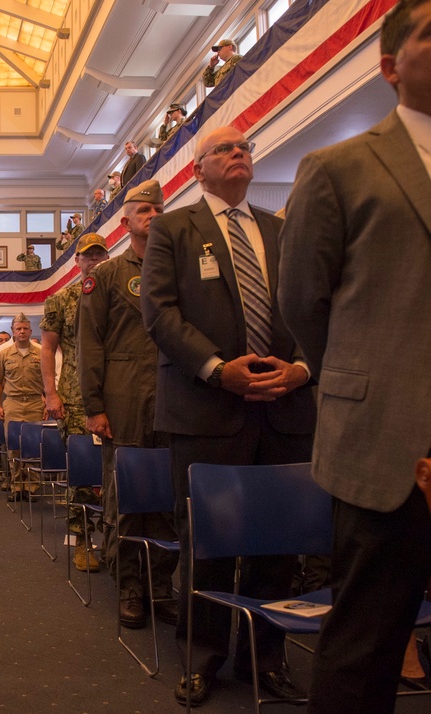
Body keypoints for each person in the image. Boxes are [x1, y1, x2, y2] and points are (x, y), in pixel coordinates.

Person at [277, 2, 431, 710]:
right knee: (367, 641)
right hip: (385, 438)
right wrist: (365, 379)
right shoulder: (339, 167)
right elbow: (304, 300)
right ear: (390, 66)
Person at [141, 125, 315, 708]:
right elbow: (161, 315)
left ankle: (267, 659)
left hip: (285, 406)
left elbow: (316, 306)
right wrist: (219, 369)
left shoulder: (282, 229)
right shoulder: (172, 228)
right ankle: (204, 658)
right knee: (207, 544)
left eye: (245, 147)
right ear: (198, 169)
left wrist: (301, 369)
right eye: (224, 148)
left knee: (279, 547)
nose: (239, 152)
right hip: (207, 409)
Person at [77, 180, 178, 629]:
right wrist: (93, 406)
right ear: (126, 221)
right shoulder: (108, 276)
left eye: (157, 207)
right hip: (124, 402)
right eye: (142, 209)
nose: (152, 214)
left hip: (175, 403)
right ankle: (131, 586)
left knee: (170, 500)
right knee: (128, 500)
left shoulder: (182, 270)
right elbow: (89, 346)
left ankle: (161, 586)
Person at [40, 233, 109, 572]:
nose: (94, 259)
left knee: (118, 471)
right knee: (83, 471)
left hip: (117, 393)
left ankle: (113, 539)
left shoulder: (120, 293)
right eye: (88, 255)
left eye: (99, 253)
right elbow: (48, 349)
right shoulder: (62, 299)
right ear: (77, 261)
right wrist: (51, 393)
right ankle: (83, 541)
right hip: (76, 396)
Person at [0, 314, 45, 502]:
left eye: (25, 328)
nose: (22, 332)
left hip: (35, 403)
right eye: (18, 329)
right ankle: (16, 485)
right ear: (13, 332)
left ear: (30, 331)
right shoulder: (4, 353)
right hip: (12, 403)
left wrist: (47, 401)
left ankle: (31, 486)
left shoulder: (41, 352)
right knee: (14, 447)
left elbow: (48, 379)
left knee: (34, 446)